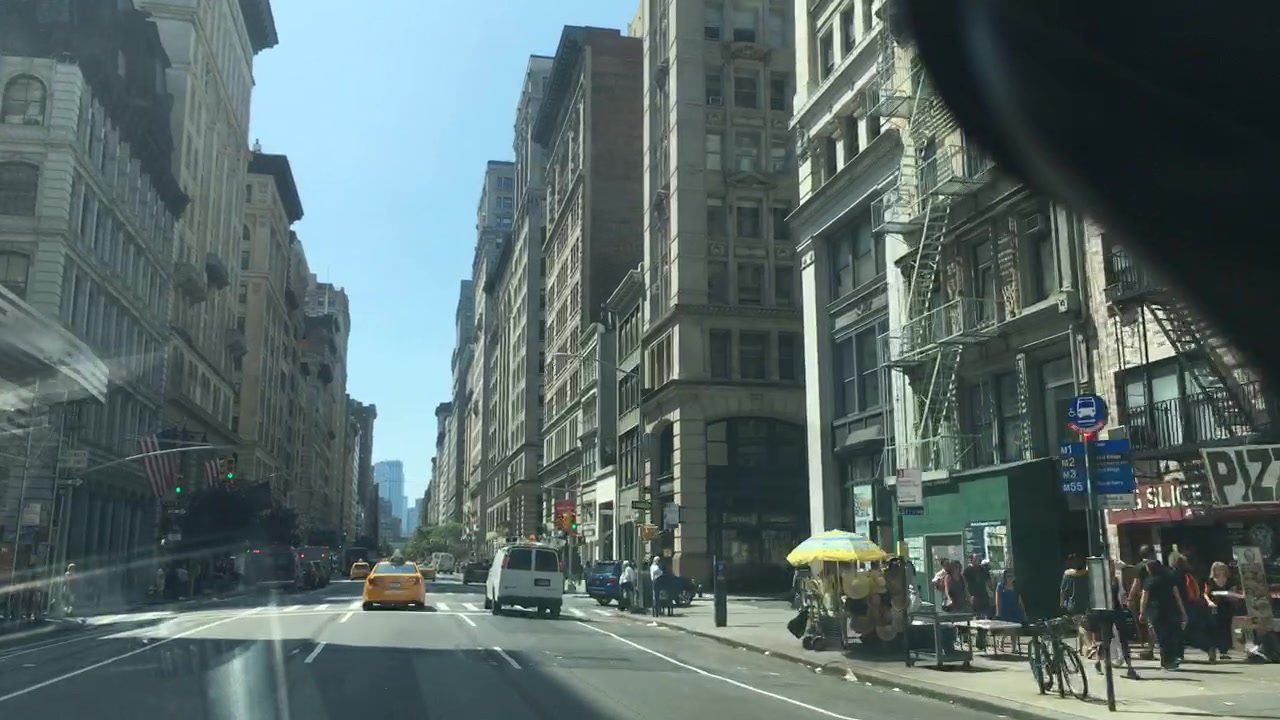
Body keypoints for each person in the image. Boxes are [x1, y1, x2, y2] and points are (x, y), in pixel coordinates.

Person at [1138, 549, 1188, 671]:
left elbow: (1144, 598)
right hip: (1171, 609)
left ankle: (1166, 661)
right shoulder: (1169, 578)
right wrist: (1183, 612)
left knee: (1162, 636)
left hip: (1155, 611)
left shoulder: (1149, 581)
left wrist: (1142, 612)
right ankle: (1170, 660)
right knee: (1171, 635)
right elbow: (1177, 595)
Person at [1204, 560, 1238, 660]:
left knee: (1226, 628)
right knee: (1214, 627)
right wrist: (1209, 602)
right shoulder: (1209, 581)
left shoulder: (1230, 581)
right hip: (1214, 607)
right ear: (1214, 571)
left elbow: (1233, 593)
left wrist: (1231, 595)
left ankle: (1224, 651)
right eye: (1218, 569)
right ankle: (1212, 650)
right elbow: (1205, 594)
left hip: (1226, 607)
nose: (1220, 571)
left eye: (1222, 569)